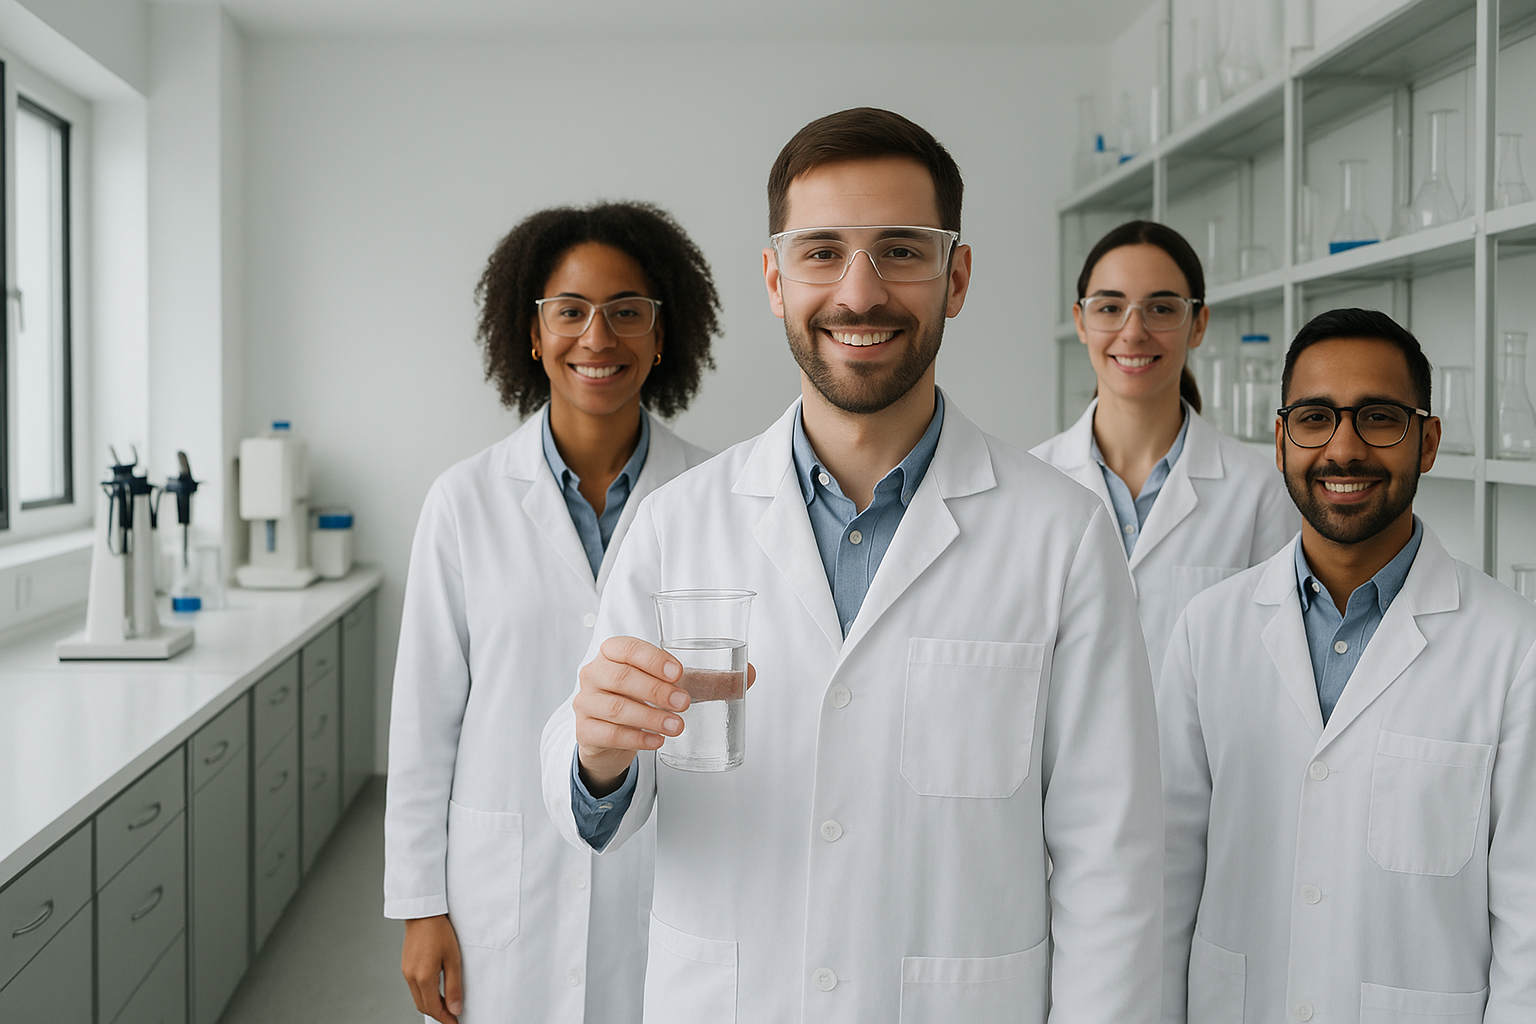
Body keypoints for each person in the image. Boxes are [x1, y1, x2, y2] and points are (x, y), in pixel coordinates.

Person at [540, 107, 1164, 1022]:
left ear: (956, 278)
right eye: (822, 251)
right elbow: (600, 808)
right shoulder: (677, 524)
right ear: (774, 277)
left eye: (902, 252)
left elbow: (1110, 861)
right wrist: (597, 757)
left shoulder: (1061, 535)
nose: (859, 293)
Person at [384, 201, 720, 1024]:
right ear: (532, 333)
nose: (597, 339)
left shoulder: (716, 498)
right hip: (503, 881)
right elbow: (425, 720)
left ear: (662, 332)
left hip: (667, 866)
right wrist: (421, 904)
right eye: (569, 312)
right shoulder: (464, 500)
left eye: (626, 312)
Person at [1159, 308, 1536, 1024]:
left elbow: (1530, 925)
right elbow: (1168, 879)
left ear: (1427, 442)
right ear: (1280, 441)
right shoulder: (1208, 630)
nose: (1345, 448)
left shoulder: (1515, 649)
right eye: (1314, 418)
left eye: (1380, 418)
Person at [1031, 221, 1297, 673]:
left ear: (1198, 324)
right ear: (1081, 322)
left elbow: (1276, 663)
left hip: (1206, 746)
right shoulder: (1034, 481)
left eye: (1161, 308)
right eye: (1110, 307)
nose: (1133, 332)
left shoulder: (1260, 490)